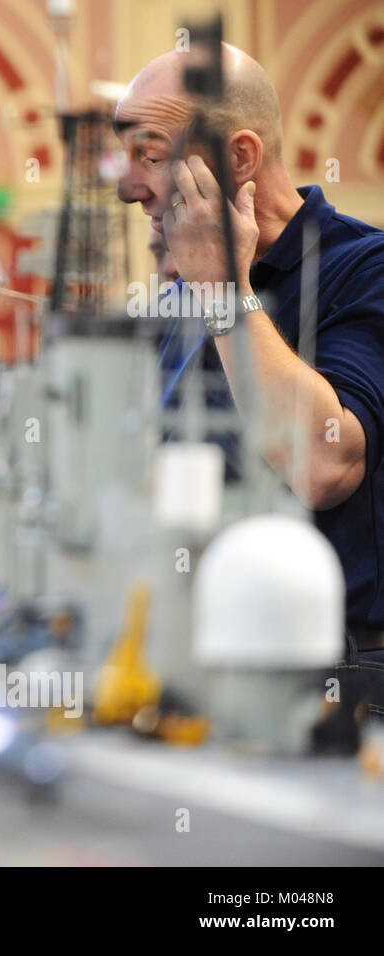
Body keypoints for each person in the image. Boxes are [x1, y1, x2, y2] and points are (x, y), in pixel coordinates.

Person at [115, 43, 384, 644]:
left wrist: (222, 288)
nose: (131, 189)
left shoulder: (368, 271)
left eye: (152, 157)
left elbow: (322, 466)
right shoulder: (176, 303)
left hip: (341, 683)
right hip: (194, 660)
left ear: (239, 156)